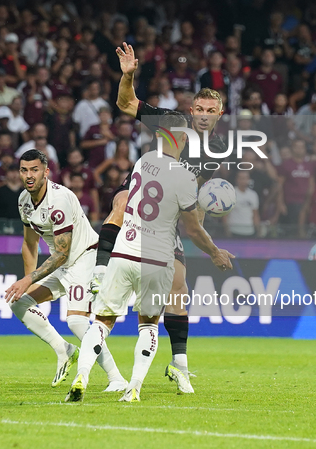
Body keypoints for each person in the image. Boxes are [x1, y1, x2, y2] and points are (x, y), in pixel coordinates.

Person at [65, 114, 234, 402]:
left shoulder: (143, 163)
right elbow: (192, 228)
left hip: (124, 251)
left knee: (102, 323)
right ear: (181, 139)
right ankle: (134, 387)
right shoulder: (184, 177)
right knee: (148, 325)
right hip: (157, 260)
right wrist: (215, 252)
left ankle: (82, 375)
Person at [90, 42, 229, 393]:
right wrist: (128, 76)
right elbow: (125, 103)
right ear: (191, 108)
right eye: (199, 107)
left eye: (210, 110)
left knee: (179, 286)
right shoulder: (171, 120)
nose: (203, 114)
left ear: (219, 114)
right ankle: (99, 272)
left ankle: (179, 364)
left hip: (169, 216)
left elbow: (194, 204)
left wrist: (198, 233)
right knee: (121, 201)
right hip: (142, 195)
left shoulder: (213, 153)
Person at [4, 149, 127, 391]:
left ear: (46, 172)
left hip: (84, 258)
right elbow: (29, 244)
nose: (29, 175)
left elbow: (61, 253)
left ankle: (116, 378)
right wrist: (27, 282)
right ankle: (65, 351)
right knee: (18, 303)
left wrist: (29, 278)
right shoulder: (24, 201)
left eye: (34, 170)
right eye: (24, 170)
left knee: (76, 322)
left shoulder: (58, 200)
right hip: (62, 264)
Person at [224, 171, 260, 237]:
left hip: (249, 231)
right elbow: (225, 214)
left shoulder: (253, 194)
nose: (243, 180)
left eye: (245, 178)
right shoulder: (231, 193)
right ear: (237, 180)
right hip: (235, 230)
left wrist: (258, 230)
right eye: (241, 178)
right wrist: (227, 230)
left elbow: (255, 214)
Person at [0, 163, 23, 233]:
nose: (14, 174)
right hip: (1, 226)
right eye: (12, 171)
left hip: (20, 227)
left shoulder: (25, 192)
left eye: (17, 172)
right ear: (7, 174)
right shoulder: (0, 191)